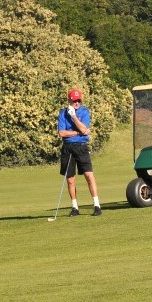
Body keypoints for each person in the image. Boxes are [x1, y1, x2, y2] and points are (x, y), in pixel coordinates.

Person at [57, 88, 101, 216]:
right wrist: (77, 132)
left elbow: (84, 128)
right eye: (74, 100)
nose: (77, 103)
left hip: (81, 147)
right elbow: (61, 133)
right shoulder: (62, 113)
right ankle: (75, 207)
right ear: (69, 100)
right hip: (68, 148)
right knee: (70, 179)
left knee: (89, 175)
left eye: (79, 100)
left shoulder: (84, 112)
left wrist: (73, 116)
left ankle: (97, 205)